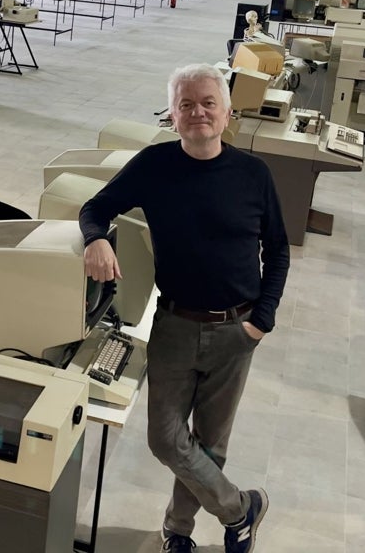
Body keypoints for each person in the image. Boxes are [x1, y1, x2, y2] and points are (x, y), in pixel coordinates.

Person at [79, 63, 290, 553]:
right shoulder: (155, 166)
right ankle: (241, 509)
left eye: (208, 103)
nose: (198, 113)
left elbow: (278, 249)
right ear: (172, 115)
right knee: (166, 440)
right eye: (187, 104)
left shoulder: (253, 174)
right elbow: (95, 207)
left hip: (238, 329)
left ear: (227, 112)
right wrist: (96, 241)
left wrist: (263, 321)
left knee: (210, 444)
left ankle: (178, 531)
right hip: (174, 324)